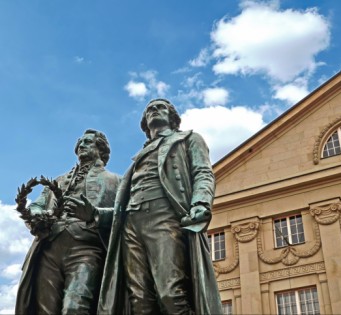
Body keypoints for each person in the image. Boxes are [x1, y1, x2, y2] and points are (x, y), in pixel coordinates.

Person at [98, 99, 222, 315]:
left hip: (165, 216)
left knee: (170, 292)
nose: (153, 110)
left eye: (160, 107)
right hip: (131, 223)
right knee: (139, 298)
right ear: (145, 123)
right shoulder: (137, 158)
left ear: (172, 117)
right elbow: (121, 203)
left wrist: (201, 202)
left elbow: (203, 172)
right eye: (149, 110)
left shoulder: (189, 138)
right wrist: (94, 214)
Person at [15, 129, 120, 315]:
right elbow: (38, 205)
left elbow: (126, 215)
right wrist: (36, 214)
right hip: (49, 247)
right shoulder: (59, 180)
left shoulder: (115, 180)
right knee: (44, 310)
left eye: (88, 142)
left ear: (101, 149)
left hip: (86, 249)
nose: (81, 145)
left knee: (75, 307)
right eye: (80, 142)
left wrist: (95, 213)